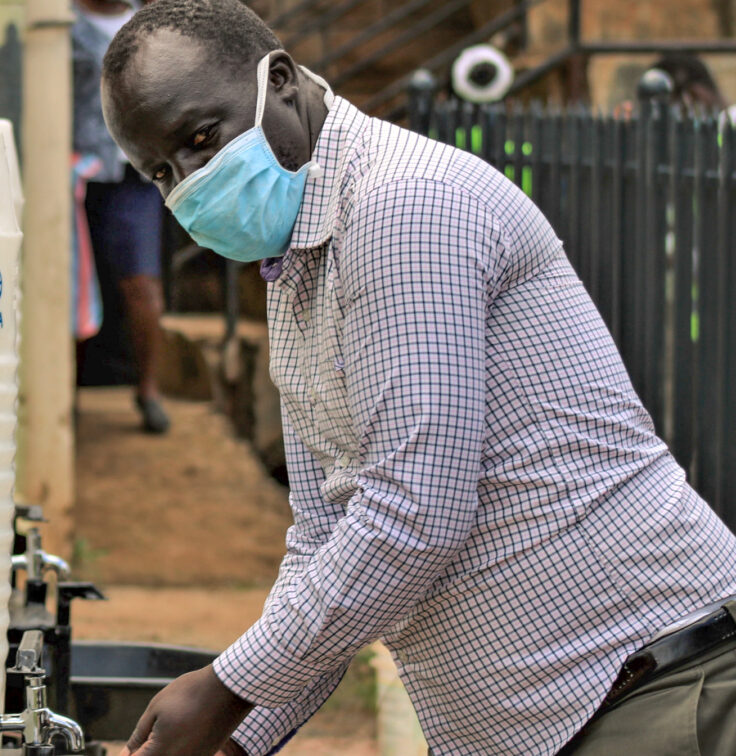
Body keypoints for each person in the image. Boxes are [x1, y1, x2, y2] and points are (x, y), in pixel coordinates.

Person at [97, 1, 736, 754]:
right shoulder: (298, 263)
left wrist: (226, 689)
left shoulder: (403, 205)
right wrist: (236, 738)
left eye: (202, 139)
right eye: (161, 172)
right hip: (557, 718)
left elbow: (414, 512)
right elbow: (325, 541)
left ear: (282, 83)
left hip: (651, 687)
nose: (191, 183)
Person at [72, 0, 171, 434]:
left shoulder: (147, 24)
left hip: (133, 176)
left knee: (141, 284)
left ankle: (148, 390)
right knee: (69, 283)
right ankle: (64, 394)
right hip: (72, 172)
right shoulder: (59, 22)